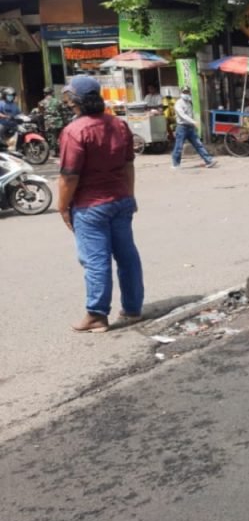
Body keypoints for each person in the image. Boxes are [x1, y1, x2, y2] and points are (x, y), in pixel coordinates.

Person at [56, 76, 144, 333]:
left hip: (90, 206)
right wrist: (130, 195)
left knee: (96, 260)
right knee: (127, 256)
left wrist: (62, 207)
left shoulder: (75, 131)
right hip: (120, 200)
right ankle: (132, 308)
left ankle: (96, 314)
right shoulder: (119, 125)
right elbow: (128, 165)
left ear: (75, 102)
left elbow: (69, 176)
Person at [171, 87, 217, 169]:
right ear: (181, 93)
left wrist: (193, 123)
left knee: (198, 144)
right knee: (179, 147)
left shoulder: (189, 102)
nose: (186, 94)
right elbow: (183, 115)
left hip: (190, 128)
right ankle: (176, 164)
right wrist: (194, 122)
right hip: (182, 127)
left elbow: (191, 114)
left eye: (187, 92)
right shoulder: (178, 103)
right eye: (185, 92)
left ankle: (209, 161)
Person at [41, 85, 72, 155]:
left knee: (52, 136)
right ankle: (61, 150)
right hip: (58, 122)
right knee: (59, 136)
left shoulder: (41, 103)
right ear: (52, 93)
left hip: (48, 122)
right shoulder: (58, 101)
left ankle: (54, 151)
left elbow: (42, 112)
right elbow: (63, 110)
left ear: (44, 94)